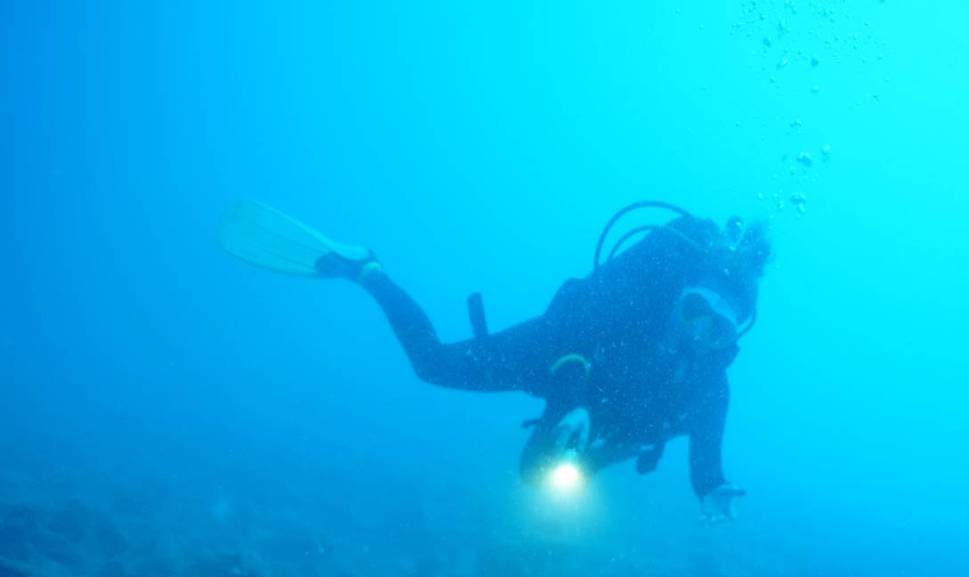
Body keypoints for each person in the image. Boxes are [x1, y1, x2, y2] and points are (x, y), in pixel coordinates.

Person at [221, 201, 770, 519]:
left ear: (730, 336)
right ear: (680, 295)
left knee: (540, 476)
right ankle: (367, 270)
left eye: (717, 327)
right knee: (432, 364)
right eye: (695, 309)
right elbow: (579, 324)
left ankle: (571, 446)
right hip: (562, 355)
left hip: (612, 414)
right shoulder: (629, 303)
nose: (699, 331)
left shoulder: (709, 384)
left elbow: (707, 447)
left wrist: (712, 487)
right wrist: (572, 402)